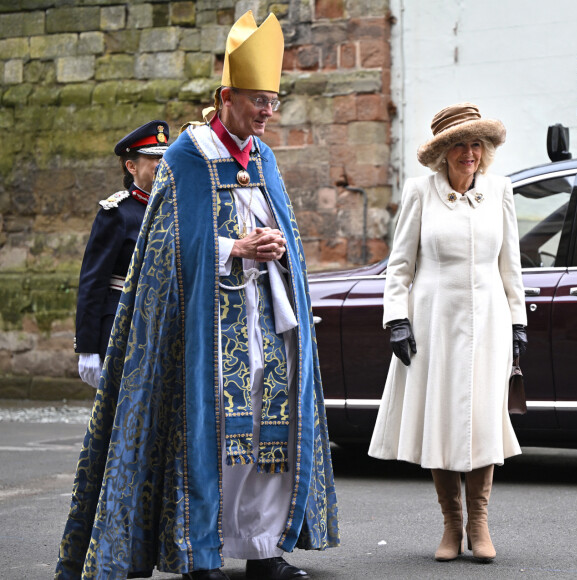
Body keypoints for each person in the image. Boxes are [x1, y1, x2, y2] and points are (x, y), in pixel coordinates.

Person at [55, 10, 339, 580]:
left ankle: (262, 547)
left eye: (274, 101)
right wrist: (235, 249)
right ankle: (199, 552)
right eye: (259, 100)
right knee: (209, 438)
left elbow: (281, 227)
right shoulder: (187, 155)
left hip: (266, 319)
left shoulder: (264, 157)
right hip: (204, 327)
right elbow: (162, 251)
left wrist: (279, 247)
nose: (267, 112)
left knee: (265, 432)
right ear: (225, 96)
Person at [368, 103, 528, 563]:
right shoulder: (421, 191)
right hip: (433, 319)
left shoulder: (500, 190)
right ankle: (451, 525)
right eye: (459, 144)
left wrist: (518, 322)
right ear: (443, 153)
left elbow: (510, 266)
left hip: (490, 321)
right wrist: (396, 318)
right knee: (441, 418)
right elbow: (399, 266)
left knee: (481, 420)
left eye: (476, 143)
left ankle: (478, 523)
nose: (469, 153)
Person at [75, 120, 169, 389]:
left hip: (162, 325)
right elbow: (93, 282)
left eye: (165, 156)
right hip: (121, 326)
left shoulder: (173, 209)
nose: (162, 163)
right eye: (154, 158)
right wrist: (87, 347)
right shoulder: (116, 212)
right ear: (132, 166)